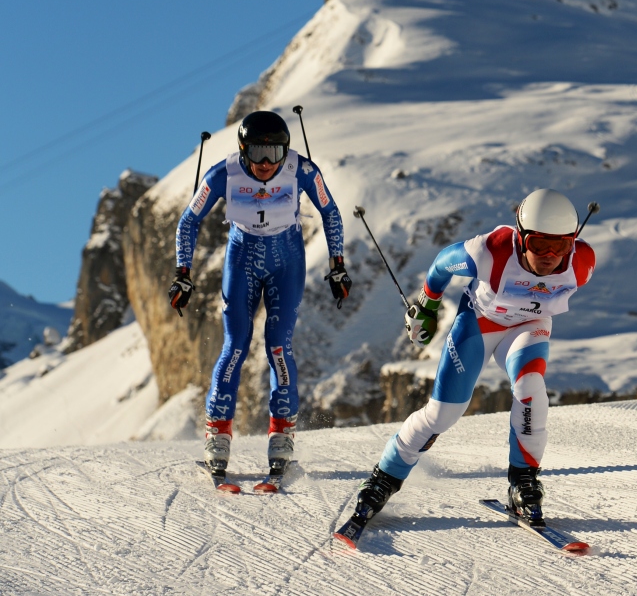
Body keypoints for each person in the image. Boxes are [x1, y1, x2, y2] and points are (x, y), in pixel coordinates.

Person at [335, 189, 595, 548]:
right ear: (521, 237)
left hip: (528, 328)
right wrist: (426, 305)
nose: (550, 257)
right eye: (539, 244)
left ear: (573, 241)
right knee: (443, 415)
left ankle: (524, 482)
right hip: (480, 323)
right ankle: (384, 477)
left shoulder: (582, 263)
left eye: (561, 246)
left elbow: (552, 276)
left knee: (531, 388)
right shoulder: (489, 252)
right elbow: (442, 263)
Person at [169, 110, 350, 484]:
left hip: (288, 261)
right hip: (242, 258)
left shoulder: (303, 170)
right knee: (235, 345)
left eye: (274, 152)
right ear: (242, 149)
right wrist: (183, 274)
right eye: (256, 152)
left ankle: (281, 434)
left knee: (279, 347)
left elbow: (330, 212)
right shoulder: (223, 174)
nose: (266, 162)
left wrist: (337, 264)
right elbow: (189, 220)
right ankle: (217, 434)